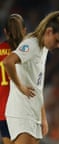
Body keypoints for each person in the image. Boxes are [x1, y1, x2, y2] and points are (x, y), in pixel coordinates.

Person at [3, 11, 59, 144]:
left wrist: (43, 116)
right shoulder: (32, 45)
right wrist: (20, 87)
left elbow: (37, 86)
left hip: (33, 114)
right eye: (57, 40)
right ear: (49, 31)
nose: (58, 45)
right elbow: (8, 62)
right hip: (21, 112)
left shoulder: (43, 49)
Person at [0, 13, 26, 144]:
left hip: (3, 110)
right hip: (23, 110)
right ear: (24, 30)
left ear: (5, 32)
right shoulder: (27, 51)